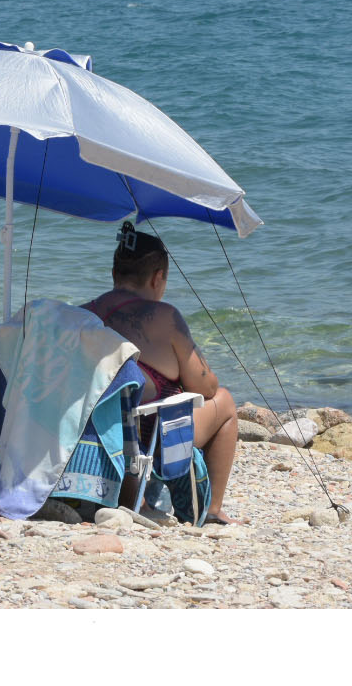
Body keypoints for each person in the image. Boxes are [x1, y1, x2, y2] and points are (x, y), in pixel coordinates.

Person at [83, 221, 242, 524]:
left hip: (100, 433)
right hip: (148, 440)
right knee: (225, 402)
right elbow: (206, 387)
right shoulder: (165, 317)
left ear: (114, 273)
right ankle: (212, 510)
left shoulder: (83, 314)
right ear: (158, 279)